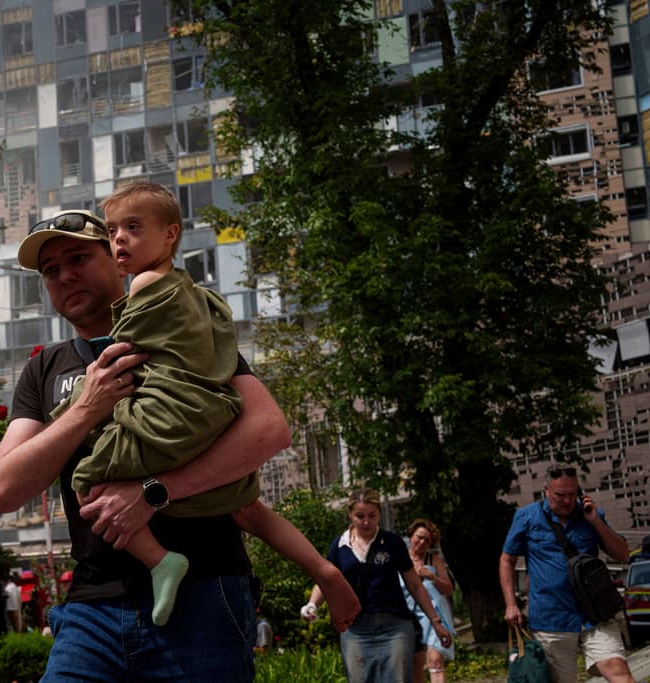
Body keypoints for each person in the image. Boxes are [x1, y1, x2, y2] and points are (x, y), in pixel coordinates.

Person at [0, 207, 290, 681]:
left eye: (77, 258)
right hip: (92, 607)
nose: (65, 276)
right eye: (51, 271)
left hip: (202, 591)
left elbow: (269, 430)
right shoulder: (43, 369)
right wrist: (87, 407)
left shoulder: (180, 332)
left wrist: (154, 492)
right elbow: (4, 490)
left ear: (116, 256)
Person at [56, 181, 360, 627]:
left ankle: (161, 561)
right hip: (211, 412)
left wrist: (77, 406)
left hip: (169, 417)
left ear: (171, 235)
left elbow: (126, 360)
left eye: (133, 228)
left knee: (86, 477)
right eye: (114, 231)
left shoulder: (143, 286)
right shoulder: (193, 296)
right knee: (245, 502)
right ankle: (324, 568)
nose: (120, 239)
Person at [499, 464, 636, 683]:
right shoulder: (526, 517)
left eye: (572, 494)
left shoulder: (590, 514)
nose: (566, 501)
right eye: (559, 495)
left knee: (619, 672)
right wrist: (511, 604)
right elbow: (507, 559)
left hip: (595, 614)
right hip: (551, 618)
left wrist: (596, 522)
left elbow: (622, 554)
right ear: (546, 491)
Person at [302, 488, 453, 683]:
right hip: (356, 629)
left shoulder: (392, 543)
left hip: (394, 627)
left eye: (372, 516)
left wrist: (435, 621)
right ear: (350, 515)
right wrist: (312, 604)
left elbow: (415, 585)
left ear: (379, 514)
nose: (366, 522)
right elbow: (325, 581)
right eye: (360, 516)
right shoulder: (339, 546)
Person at [400, 519, 455, 683]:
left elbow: (449, 589)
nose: (422, 542)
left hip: (435, 616)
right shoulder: (400, 559)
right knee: (416, 668)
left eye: (427, 540)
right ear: (411, 535)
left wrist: (432, 576)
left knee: (435, 661)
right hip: (409, 617)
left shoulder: (433, 560)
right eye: (419, 537)